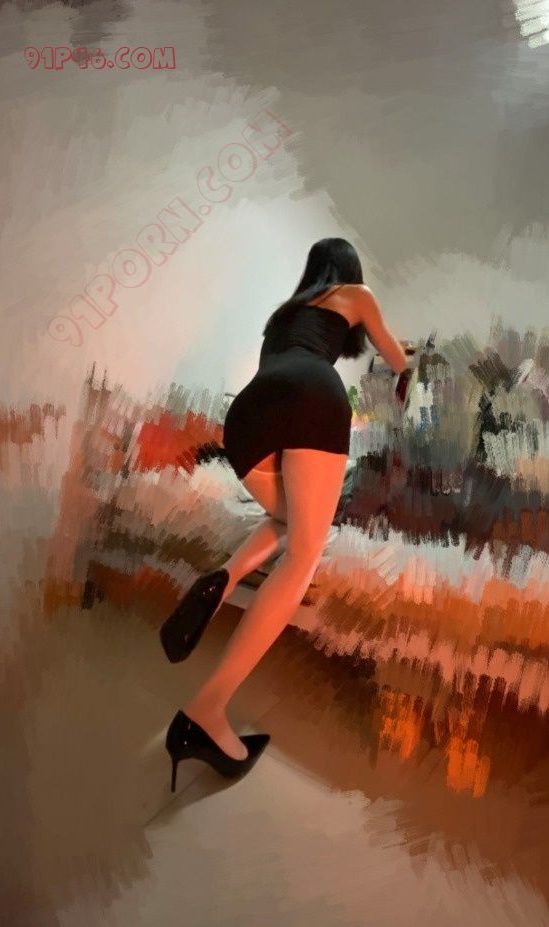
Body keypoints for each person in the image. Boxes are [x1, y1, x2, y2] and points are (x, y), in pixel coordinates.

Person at [161, 237, 409, 790]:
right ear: (347, 269)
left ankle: (224, 579)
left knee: (293, 519)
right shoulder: (356, 294)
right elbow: (396, 360)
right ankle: (207, 710)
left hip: (248, 414)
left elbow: (276, 373)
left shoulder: (283, 317)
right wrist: (405, 363)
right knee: (304, 554)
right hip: (313, 398)